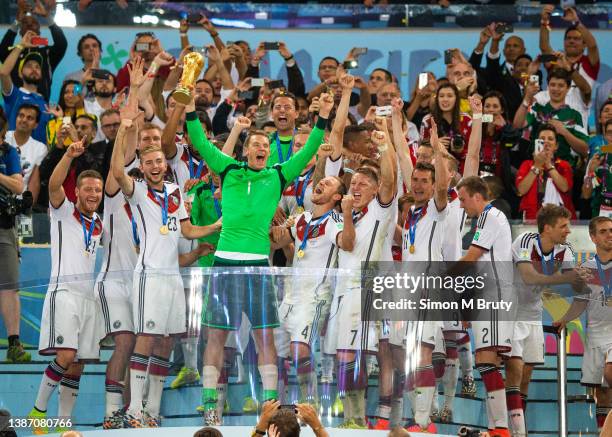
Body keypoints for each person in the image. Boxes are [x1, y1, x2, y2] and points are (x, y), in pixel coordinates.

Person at [187, 82, 332, 424]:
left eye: (265, 145)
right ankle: (211, 404)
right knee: (216, 336)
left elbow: (309, 147)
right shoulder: (228, 170)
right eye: (255, 144)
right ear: (246, 150)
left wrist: (322, 116)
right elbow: (199, 140)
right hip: (224, 264)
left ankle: (269, 406)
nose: (261, 148)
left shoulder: (277, 176)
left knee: (264, 334)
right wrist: (192, 109)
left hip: (258, 265)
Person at [110, 58, 221, 428]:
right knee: (146, 338)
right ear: (142, 165)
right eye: (151, 161)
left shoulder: (175, 191)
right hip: (149, 276)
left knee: (166, 342)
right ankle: (135, 408)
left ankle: (152, 410)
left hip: (173, 276)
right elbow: (115, 173)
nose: (157, 165)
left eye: (161, 161)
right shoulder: (136, 188)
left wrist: (216, 228)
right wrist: (125, 130)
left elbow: (187, 232)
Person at [28, 140, 104, 435]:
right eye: (88, 189)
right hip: (64, 294)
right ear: (77, 192)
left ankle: (63, 424)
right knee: (67, 355)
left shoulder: (98, 222)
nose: (93, 194)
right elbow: (54, 185)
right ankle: (38, 409)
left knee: (78, 364)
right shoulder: (62, 211)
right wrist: (69, 157)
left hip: (88, 299)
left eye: (97, 190)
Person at [508, 205, 580, 436]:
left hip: (534, 314)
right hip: (510, 313)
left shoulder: (565, 249)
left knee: (526, 376)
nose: (568, 231)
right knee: (515, 372)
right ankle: (510, 430)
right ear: (547, 228)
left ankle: (517, 427)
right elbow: (528, 278)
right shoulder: (525, 240)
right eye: (563, 226)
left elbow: (576, 284)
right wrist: (561, 277)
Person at [400, 119, 450, 433]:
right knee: (411, 354)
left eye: (424, 181)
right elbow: (406, 163)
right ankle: (423, 415)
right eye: (415, 180)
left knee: (423, 353)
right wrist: (395, 121)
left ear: (432, 187)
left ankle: (423, 421)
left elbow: (444, 184)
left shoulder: (436, 208)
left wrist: (436, 147)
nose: (417, 185)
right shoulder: (412, 213)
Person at [456, 175, 514, 437]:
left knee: (487, 360)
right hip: (485, 295)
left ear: (477, 196)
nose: (461, 206)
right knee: (486, 362)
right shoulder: (484, 219)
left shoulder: (491, 215)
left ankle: (500, 430)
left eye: (463, 199)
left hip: (495, 295)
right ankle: (496, 428)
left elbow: (472, 256)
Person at [554, 216, 612, 434]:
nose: (610, 235)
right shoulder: (587, 268)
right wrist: (565, 319)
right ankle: (603, 432)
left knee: (610, 374)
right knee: (602, 392)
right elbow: (580, 303)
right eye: (604, 231)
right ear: (593, 237)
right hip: (595, 334)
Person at [513, 68, 588, 168]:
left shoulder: (574, 115)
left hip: (564, 169)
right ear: (548, 86)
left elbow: (585, 150)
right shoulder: (537, 109)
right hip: (536, 166)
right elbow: (517, 125)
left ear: (568, 88)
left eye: (561, 85)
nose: (556, 89)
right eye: (552, 85)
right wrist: (527, 98)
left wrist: (564, 132)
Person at [0, 111, 29, 363]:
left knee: (9, 286)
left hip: (4, 225)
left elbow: (20, 186)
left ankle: (14, 344)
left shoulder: (9, 152)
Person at [0, 0, 67, 102]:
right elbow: (2, 50)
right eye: (25, 23)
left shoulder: (47, 54)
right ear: (20, 31)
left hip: (41, 109)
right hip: (16, 107)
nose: (30, 25)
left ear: (39, 31)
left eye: (34, 23)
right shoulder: (13, 53)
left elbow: (62, 44)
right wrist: (17, 21)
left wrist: (47, 16)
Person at [0, 31, 52, 144]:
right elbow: (3, 72)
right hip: (12, 156)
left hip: (38, 158)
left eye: (37, 67)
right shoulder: (14, 94)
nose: (34, 69)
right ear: (20, 73)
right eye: (29, 66)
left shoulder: (45, 103)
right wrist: (21, 45)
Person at [516, 124, 575, 220]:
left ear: (556, 146)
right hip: (533, 218)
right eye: (542, 139)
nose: (546, 142)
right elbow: (521, 190)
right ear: (536, 143)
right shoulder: (527, 164)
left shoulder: (564, 165)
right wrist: (536, 166)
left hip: (561, 220)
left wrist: (548, 164)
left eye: (550, 139)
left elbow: (564, 188)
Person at [420, 83, 472, 173]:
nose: (445, 99)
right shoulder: (427, 121)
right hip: (434, 171)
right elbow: (421, 150)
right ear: (437, 99)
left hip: (462, 171)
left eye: (450, 96)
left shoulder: (467, 120)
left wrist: (461, 151)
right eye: (441, 96)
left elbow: (474, 151)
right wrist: (434, 145)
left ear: (456, 99)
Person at [5, 103, 47, 204]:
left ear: (36, 125)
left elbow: (34, 183)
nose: (24, 120)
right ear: (16, 118)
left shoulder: (40, 148)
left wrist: (28, 210)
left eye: (29, 118)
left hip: (18, 204)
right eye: (21, 115)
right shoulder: (3, 137)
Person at [583, 120, 612, 218]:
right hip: (601, 215)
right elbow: (586, 194)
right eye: (609, 133)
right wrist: (591, 171)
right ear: (605, 136)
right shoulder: (596, 158)